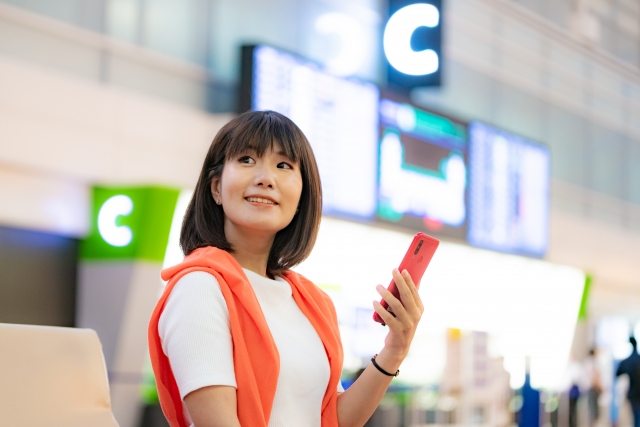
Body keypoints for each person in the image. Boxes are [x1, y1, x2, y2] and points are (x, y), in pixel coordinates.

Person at [147, 111, 425, 427]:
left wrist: (394, 351)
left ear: (301, 196)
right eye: (247, 159)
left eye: (284, 166)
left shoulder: (312, 302)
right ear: (216, 188)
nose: (266, 178)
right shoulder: (198, 288)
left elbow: (330, 420)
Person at [616, 337, 640, 427]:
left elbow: (618, 372)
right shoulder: (636, 359)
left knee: (636, 418)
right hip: (635, 394)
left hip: (633, 394)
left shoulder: (628, 360)